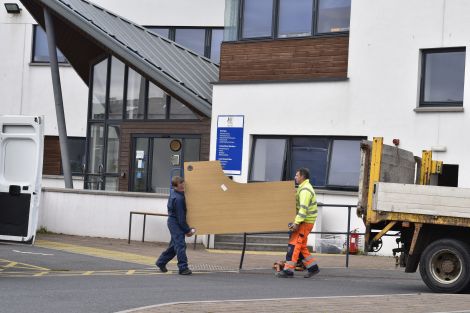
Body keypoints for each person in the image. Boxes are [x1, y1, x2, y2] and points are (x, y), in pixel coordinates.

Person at [277, 168, 320, 278]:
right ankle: (313, 267)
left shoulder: (305, 190)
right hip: (306, 222)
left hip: (304, 222)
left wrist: (296, 223)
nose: (295, 177)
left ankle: (288, 270)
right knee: (301, 246)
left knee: (294, 245)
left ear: (302, 177)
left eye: (297, 175)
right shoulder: (303, 188)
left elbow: (303, 209)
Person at [156, 176, 195, 275]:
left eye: (183, 183)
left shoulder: (174, 193)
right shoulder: (179, 199)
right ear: (175, 186)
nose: (183, 185)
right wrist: (187, 230)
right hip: (176, 223)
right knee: (180, 245)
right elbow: (181, 218)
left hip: (173, 222)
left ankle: (161, 262)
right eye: (180, 184)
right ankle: (183, 268)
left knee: (174, 246)